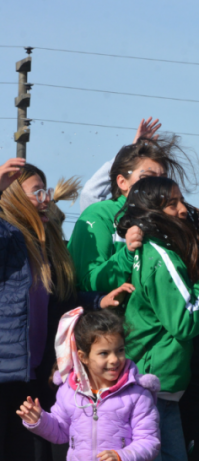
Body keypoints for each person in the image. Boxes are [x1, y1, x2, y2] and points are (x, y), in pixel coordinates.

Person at [0, 159, 133, 461]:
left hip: (31, 375)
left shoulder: (45, 248)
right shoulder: (7, 238)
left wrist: (98, 301)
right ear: (13, 196)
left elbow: (60, 301)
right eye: (36, 192)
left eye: (45, 191)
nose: (45, 199)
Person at [117, 176, 199, 461]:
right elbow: (185, 321)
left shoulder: (151, 249)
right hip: (155, 385)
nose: (182, 210)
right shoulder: (162, 257)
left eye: (181, 201)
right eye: (171, 204)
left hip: (154, 386)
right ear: (151, 211)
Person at [68, 131, 199, 294]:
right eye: (147, 178)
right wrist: (127, 253)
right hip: (107, 318)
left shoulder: (170, 216)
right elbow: (86, 282)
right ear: (122, 182)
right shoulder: (99, 214)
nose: (157, 186)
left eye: (163, 178)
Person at [18, 308, 160, 461]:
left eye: (120, 350)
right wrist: (40, 421)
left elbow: (149, 440)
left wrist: (122, 456)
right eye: (104, 353)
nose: (114, 359)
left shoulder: (137, 394)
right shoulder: (68, 391)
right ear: (83, 357)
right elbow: (60, 432)